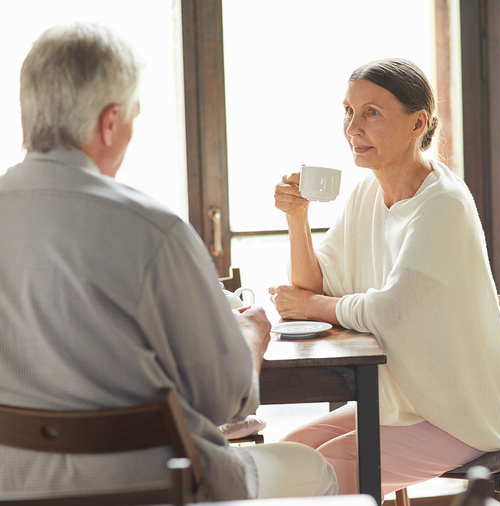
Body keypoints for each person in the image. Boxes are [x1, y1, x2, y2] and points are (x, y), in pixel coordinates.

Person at [0, 23, 336, 501]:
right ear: (110, 122)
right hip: (155, 486)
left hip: (13, 486)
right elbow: (223, 398)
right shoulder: (151, 230)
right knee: (312, 468)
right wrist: (249, 334)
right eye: (134, 116)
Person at [269, 58, 500, 496]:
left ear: (417, 122)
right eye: (348, 111)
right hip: (404, 400)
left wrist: (311, 308)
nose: (352, 127)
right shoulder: (367, 192)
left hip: (463, 408)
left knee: (318, 472)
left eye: (371, 113)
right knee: (291, 451)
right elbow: (313, 285)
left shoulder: (444, 204)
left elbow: (390, 310)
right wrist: (298, 218)